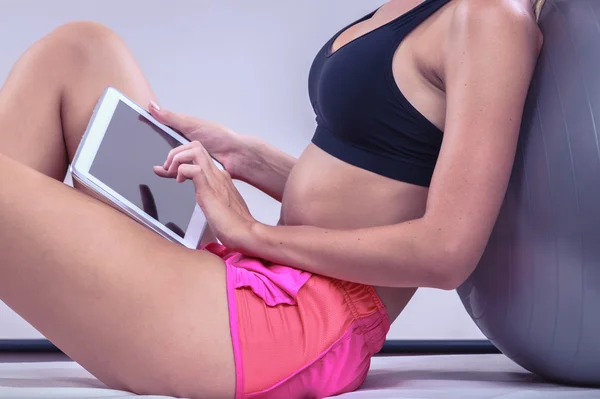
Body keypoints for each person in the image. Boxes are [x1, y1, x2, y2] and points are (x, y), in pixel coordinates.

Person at [0, 0, 545, 398]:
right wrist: (247, 156)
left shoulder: (491, 17)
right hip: (262, 276)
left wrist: (254, 232)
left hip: (290, 326)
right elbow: (382, 181)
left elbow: (446, 252)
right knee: (79, 49)